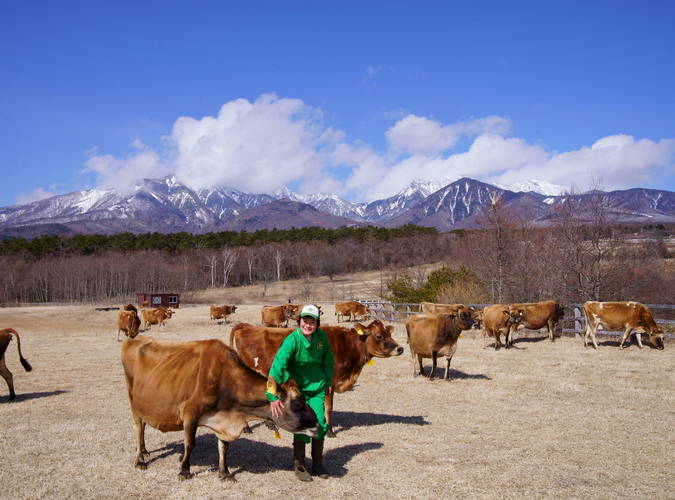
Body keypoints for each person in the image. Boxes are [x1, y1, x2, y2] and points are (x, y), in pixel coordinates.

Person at [266, 304, 334, 481]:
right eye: (305, 321)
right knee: (302, 425)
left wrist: (328, 380)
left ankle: (318, 464)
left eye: (312, 322)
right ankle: (299, 465)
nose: (308, 325)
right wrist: (272, 396)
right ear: (299, 321)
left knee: (319, 423)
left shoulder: (321, 338)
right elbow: (277, 367)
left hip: (317, 387)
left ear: (317, 324)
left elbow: (328, 360)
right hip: (298, 391)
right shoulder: (292, 341)